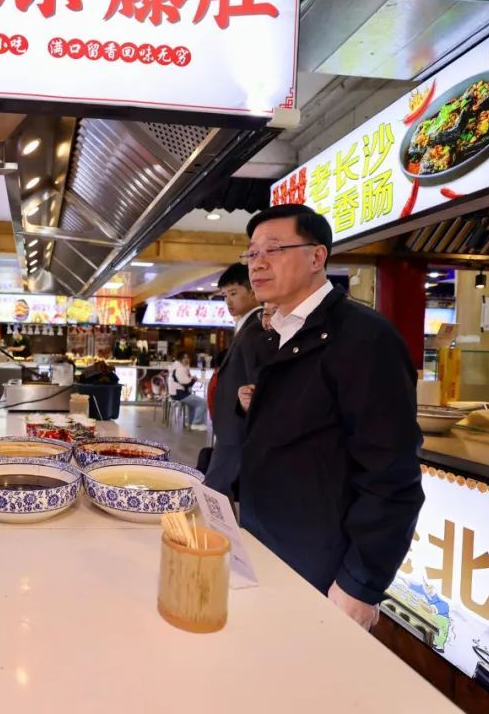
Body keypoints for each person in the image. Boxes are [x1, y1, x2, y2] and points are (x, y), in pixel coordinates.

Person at [236, 203, 424, 629]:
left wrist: (361, 582)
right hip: (266, 543)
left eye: (273, 249)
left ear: (317, 257)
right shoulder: (278, 331)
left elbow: (391, 473)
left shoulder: (364, 338)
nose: (257, 263)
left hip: (321, 564)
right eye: (251, 253)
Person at [204, 263, 266, 495]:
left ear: (252, 292)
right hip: (230, 425)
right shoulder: (245, 326)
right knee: (220, 489)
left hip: (237, 427)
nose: (228, 301)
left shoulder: (257, 327)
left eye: (233, 293)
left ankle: (214, 533)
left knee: (215, 490)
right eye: (224, 296)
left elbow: (254, 378)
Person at [168, 350, 207, 431]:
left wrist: (191, 379)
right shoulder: (180, 369)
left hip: (177, 394)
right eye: (184, 358)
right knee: (202, 402)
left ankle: (189, 422)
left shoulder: (178, 368)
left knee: (194, 403)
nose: (186, 359)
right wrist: (193, 379)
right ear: (180, 359)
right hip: (180, 394)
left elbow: (185, 382)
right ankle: (197, 423)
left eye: (187, 357)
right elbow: (186, 383)